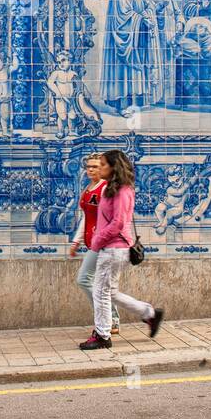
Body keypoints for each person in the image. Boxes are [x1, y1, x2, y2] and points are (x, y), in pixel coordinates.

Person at [80, 149, 165, 350]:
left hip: (113, 249)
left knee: (100, 292)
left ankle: (102, 335)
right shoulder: (111, 188)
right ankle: (150, 314)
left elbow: (118, 223)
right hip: (110, 248)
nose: (99, 168)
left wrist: (97, 240)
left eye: (102, 165)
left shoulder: (123, 191)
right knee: (110, 292)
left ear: (113, 167)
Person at [68, 154, 119, 335]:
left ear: (103, 169)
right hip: (92, 243)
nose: (91, 169)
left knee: (84, 280)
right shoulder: (89, 189)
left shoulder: (105, 189)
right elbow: (86, 217)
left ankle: (110, 319)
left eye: (95, 167)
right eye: (88, 166)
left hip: (102, 244)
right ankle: (111, 319)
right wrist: (76, 241)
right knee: (102, 285)